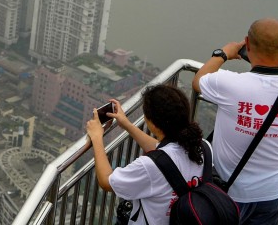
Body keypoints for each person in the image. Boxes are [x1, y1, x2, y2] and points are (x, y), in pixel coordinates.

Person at [192, 17, 278, 225]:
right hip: (272, 193)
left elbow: (198, 81)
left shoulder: (230, 84)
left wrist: (223, 53)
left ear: (247, 45)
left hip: (229, 191)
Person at [86, 84, 207, 225]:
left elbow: (106, 182)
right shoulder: (201, 147)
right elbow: (165, 156)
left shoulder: (149, 166)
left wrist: (97, 138)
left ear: (153, 124)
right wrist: (127, 125)